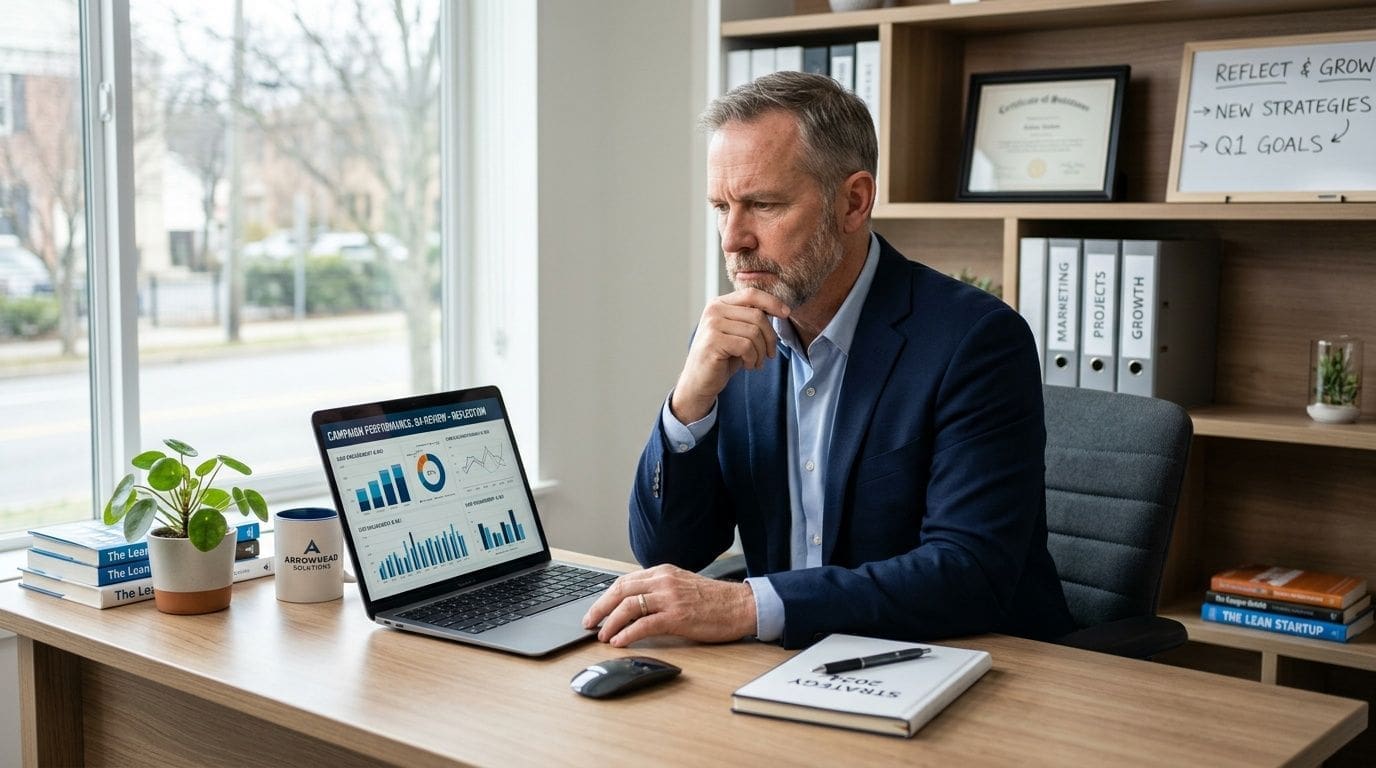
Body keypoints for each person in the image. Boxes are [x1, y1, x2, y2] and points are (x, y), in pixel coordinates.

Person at [582, 71, 1074, 650]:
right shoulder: (734, 340)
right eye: (721, 207)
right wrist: (688, 403)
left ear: (853, 201)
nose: (732, 239)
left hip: (974, 666)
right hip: (793, 666)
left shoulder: (976, 341)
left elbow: (969, 573)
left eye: (763, 205)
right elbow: (668, 551)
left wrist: (748, 605)